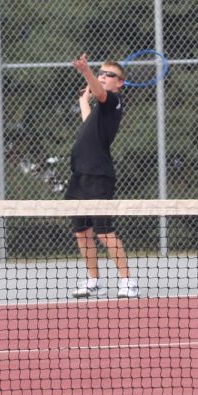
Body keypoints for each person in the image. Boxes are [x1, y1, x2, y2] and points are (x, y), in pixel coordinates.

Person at [65, 52, 139, 299]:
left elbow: (100, 94)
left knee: (104, 231)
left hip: (99, 176)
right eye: (101, 73)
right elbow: (88, 121)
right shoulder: (98, 111)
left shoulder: (113, 102)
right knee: (82, 232)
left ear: (120, 83)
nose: (104, 77)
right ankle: (94, 280)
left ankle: (128, 281)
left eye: (110, 75)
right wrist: (83, 100)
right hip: (79, 177)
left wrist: (86, 71)